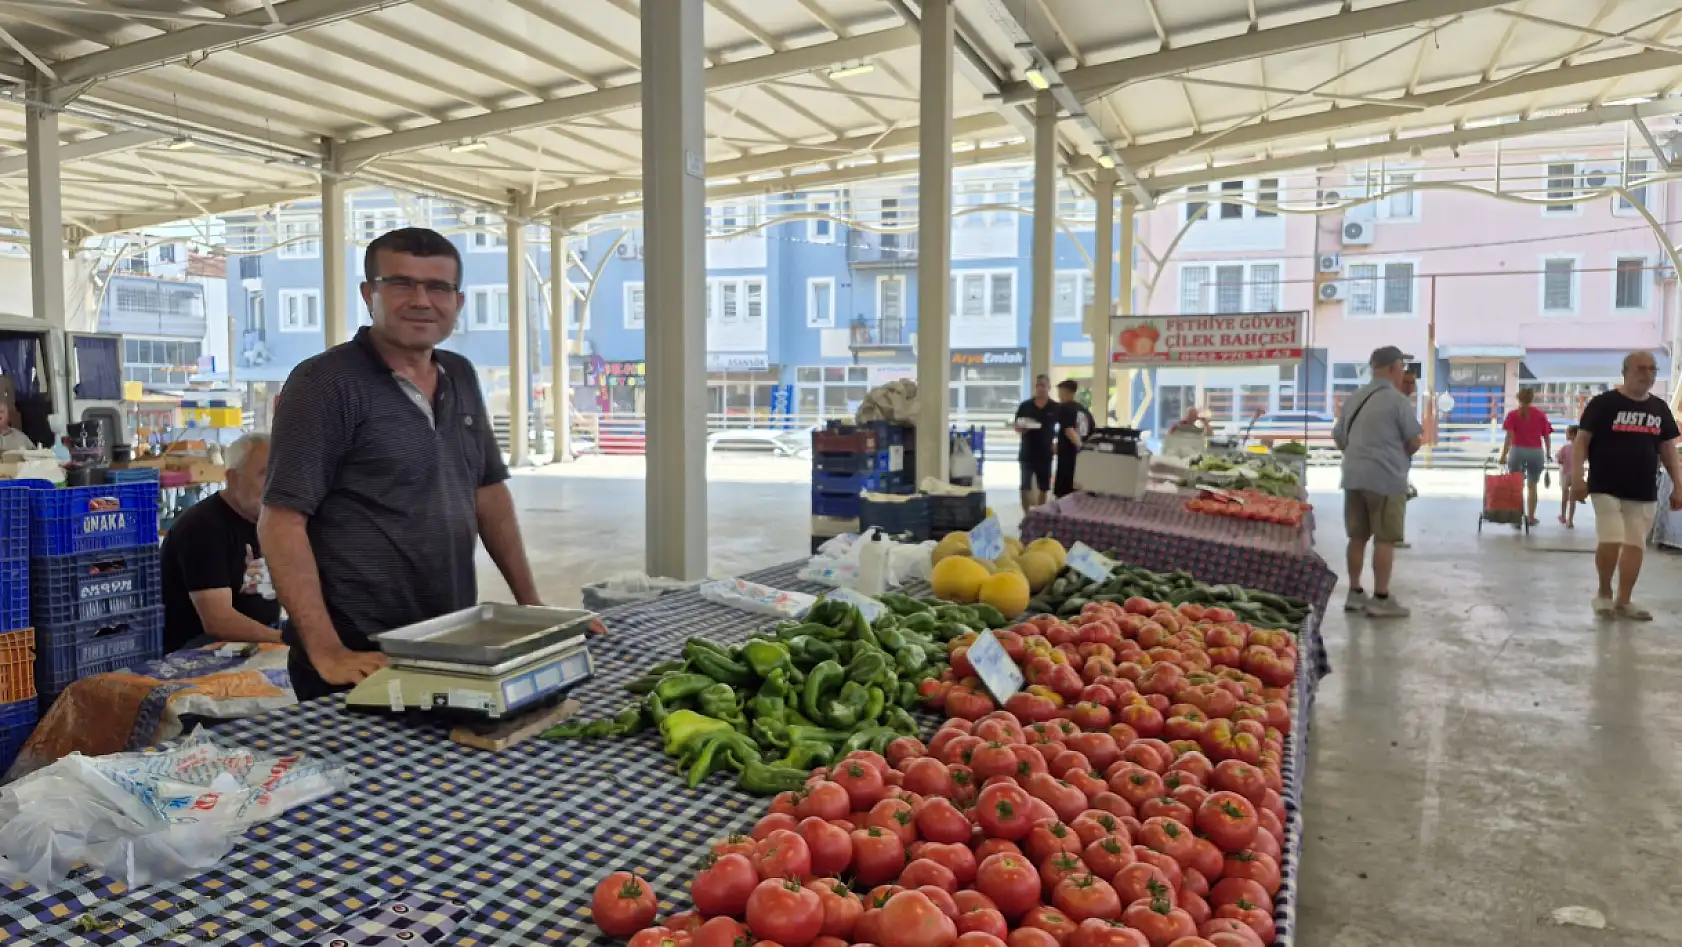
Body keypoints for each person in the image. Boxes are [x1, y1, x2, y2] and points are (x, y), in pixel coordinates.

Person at [258, 227, 543, 700]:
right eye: (401, 284)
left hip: (449, 638)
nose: (421, 300)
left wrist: (531, 606)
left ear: (458, 301)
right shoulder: (324, 384)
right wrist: (327, 651)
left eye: (438, 287)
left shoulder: (461, 375)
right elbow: (281, 521)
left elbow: (487, 492)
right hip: (362, 655)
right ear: (370, 294)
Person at [1569, 350, 1682, 621]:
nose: (1647, 374)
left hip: (1643, 489)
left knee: (1635, 545)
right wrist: (1577, 478)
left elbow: (1668, 449)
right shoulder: (1603, 404)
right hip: (1605, 485)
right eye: (1640, 368)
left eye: (1652, 369)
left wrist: (1679, 484)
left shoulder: (1659, 409)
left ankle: (1624, 600)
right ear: (1625, 371)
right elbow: (1581, 441)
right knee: (1611, 538)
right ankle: (1604, 593)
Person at [160, 433, 283, 653]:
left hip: (262, 633)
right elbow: (218, 621)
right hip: (199, 645)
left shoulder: (269, 521)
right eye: (265, 474)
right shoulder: (201, 527)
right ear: (233, 478)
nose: (276, 484)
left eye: (280, 473)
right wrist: (284, 640)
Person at [1332, 346, 1423, 618]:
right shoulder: (1397, 401)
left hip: (1353, 475)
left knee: (1357, 537)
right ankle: (1381, 597)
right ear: (1395, 367)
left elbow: (1338, 436)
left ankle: (1355, 593)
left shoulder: (1355, 397)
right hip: (1386, 478)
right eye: (1402, 368)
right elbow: (1414, 442)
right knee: (1385, 539)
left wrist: (1361, 452)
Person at [1498, 387, 1552, 527]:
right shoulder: (1540, 415)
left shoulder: (1513, 415)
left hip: (1517, 452)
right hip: (1536, 452)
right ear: (1532, 399)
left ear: (1518, 398)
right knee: (1532, 486)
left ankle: (1516, 519)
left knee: (1517, 486)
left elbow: (1509, 437)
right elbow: (1546, 436)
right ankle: (1532, 518)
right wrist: (1548, 453)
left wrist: (1503, 455)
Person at [1013, 374, 1059, 512]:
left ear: (1049, 387)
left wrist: (1057, 443)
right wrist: (1022, 428)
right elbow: (1016, 426)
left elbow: (1063, 427)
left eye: (1043, 385)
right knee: (1024, 486)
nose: (1040, 388)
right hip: (1027, 452)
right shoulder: (1025, 406)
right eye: (1038, 385)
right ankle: (1026, 515)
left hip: (1045, 452)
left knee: (1043, 487)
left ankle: (1039, 515)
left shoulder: (1055, 407)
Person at [1052, 379, 1095, 498]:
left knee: (1064, 494)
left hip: (1068, 457)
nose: (1059, 395)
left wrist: (1079, 447)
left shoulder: (1064, 408)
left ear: (1065, 392)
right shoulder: (1084, 410)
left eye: (1060, 392)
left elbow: (1069, 430)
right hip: (1084, 459)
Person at [1556, 425, 1578, 527]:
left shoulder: (1565, 448)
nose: (1566, 435)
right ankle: (1570, 520)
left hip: (1565, 474)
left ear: (1572, 435)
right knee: (1573, 499)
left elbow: (1560, 461)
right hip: (1576, 475)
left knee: (1564, 496)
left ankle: (1563, 516)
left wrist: (1559, 459)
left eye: (1567, 433)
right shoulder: (1581, 448)